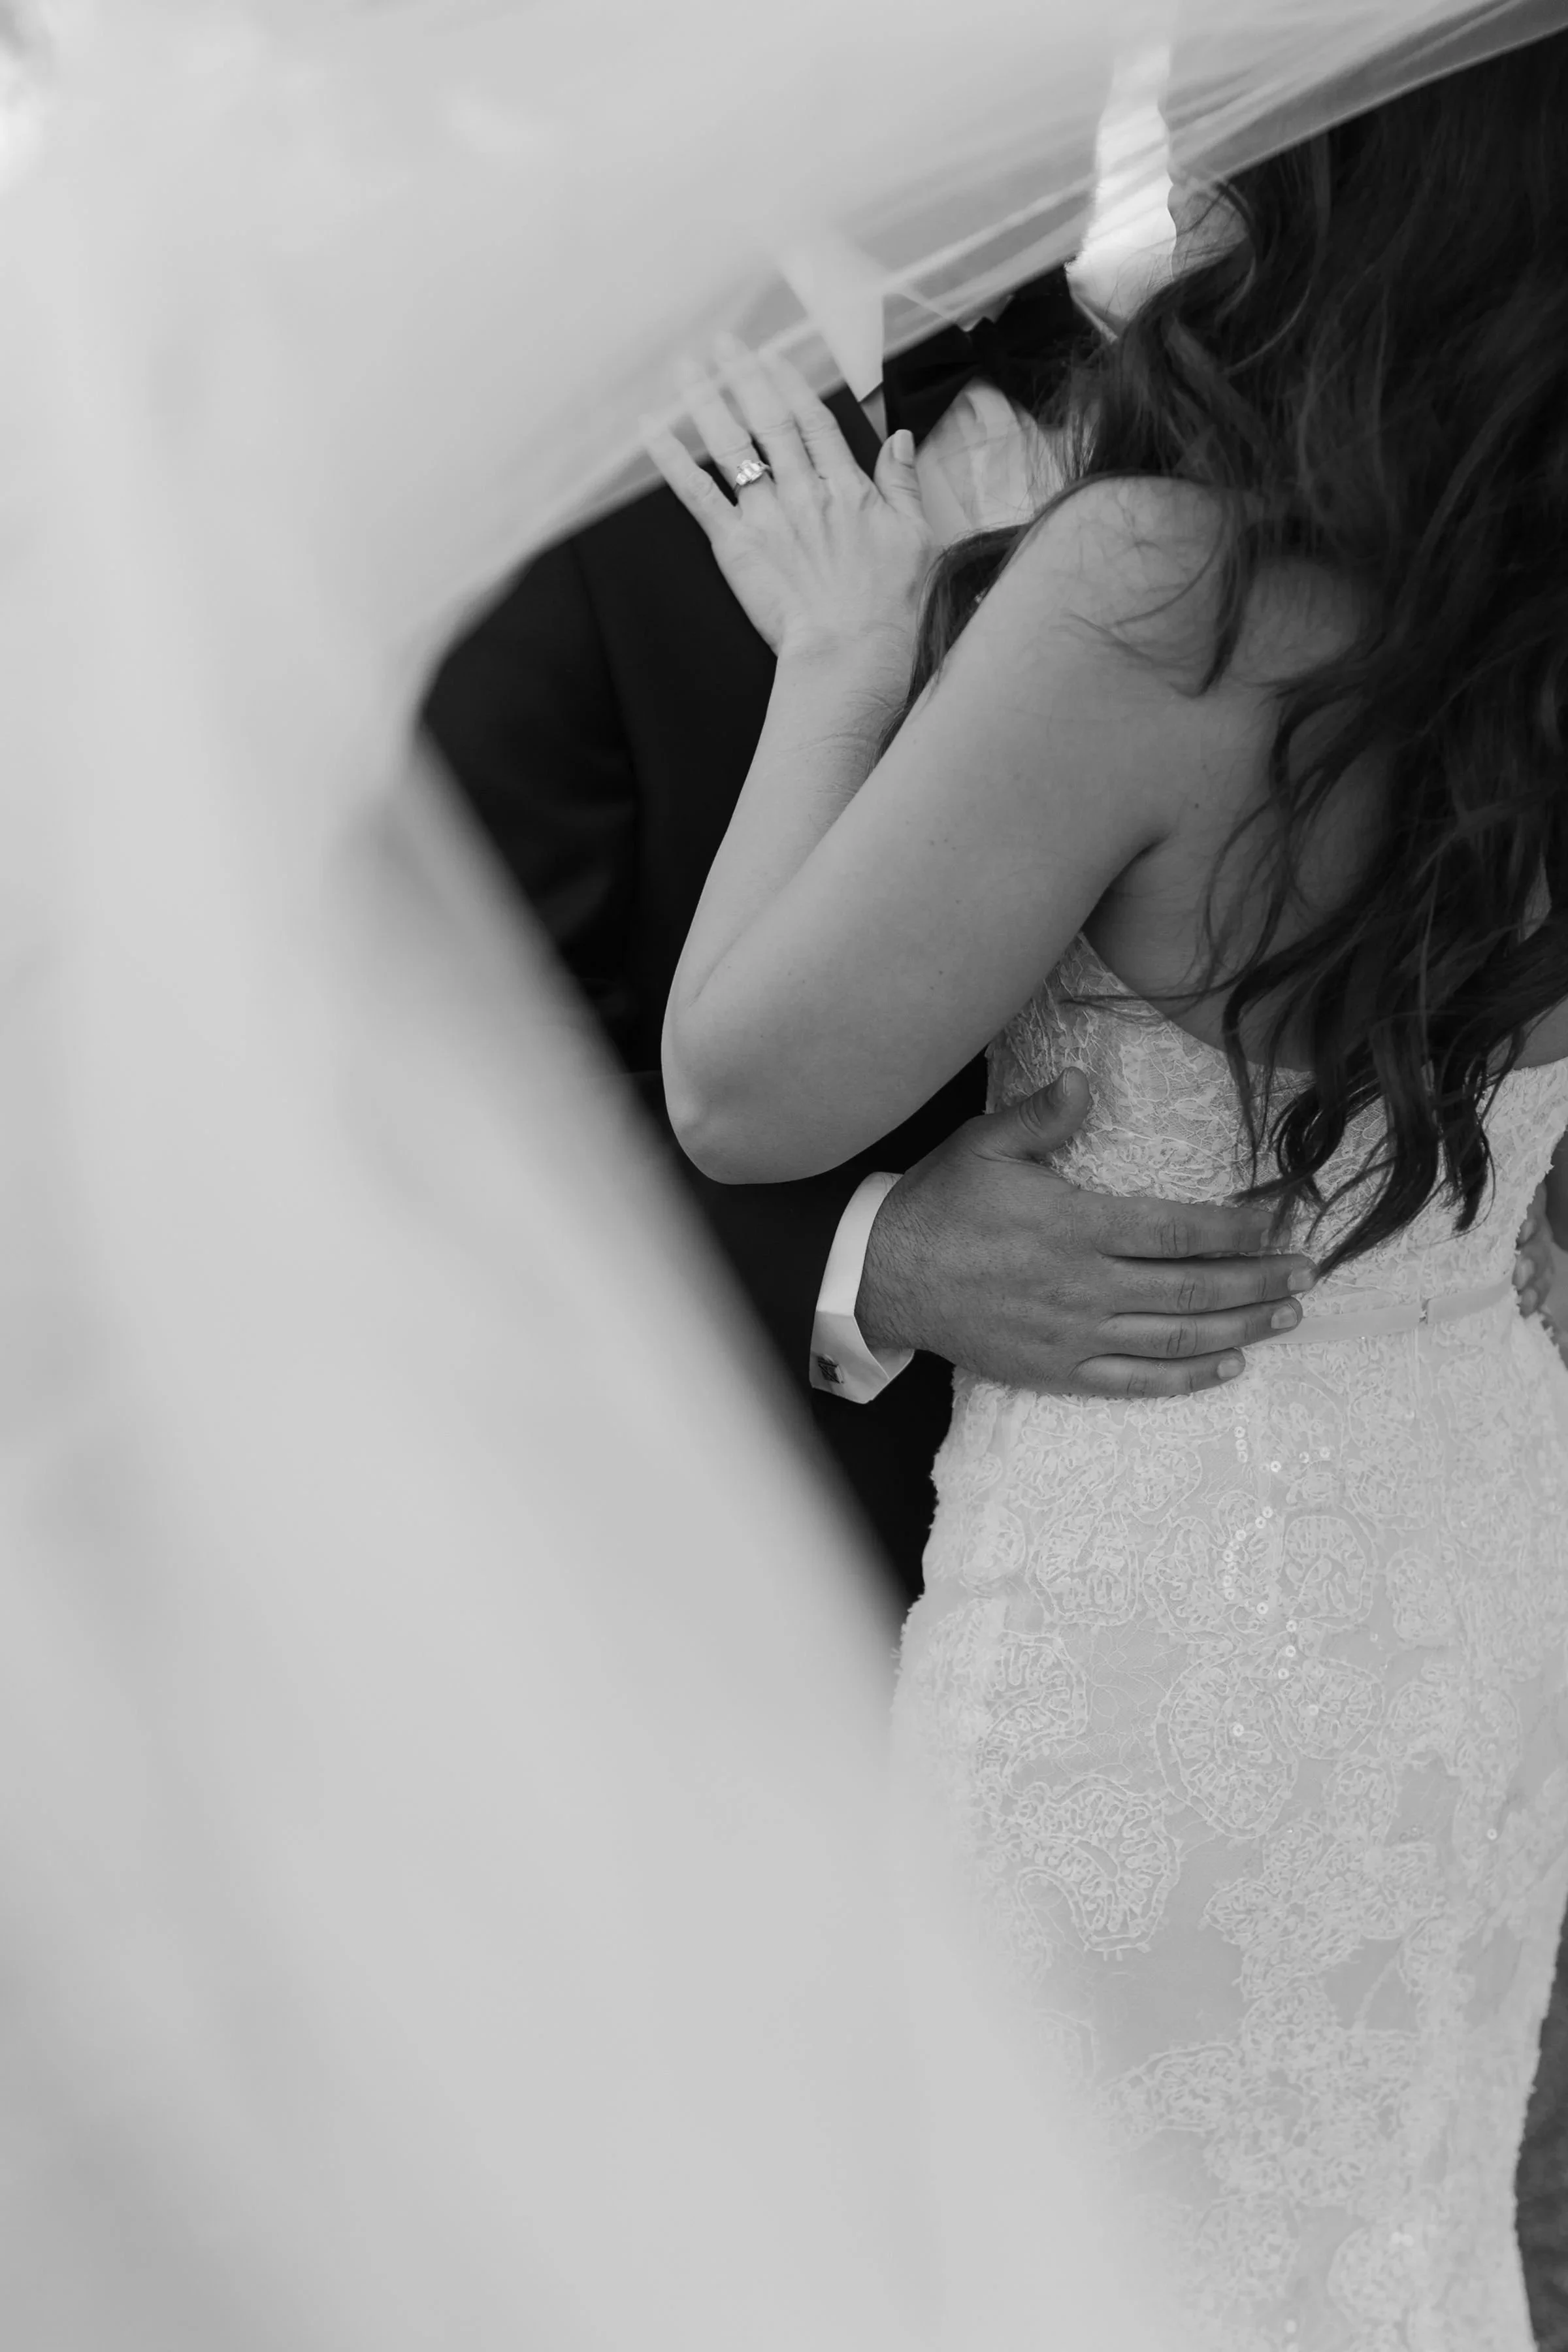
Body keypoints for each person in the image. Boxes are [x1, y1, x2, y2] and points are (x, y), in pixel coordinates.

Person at [654, 28, 1568, 2348]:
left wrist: (844, 665)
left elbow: (745, 1086)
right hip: (1470, 1579)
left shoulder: (1163, 595)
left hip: (1158, 1606)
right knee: (1376, 2229)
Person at [421, 266, 1335, 1609]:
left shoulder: (1279, 396)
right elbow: (422, 1067)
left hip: (1272, 1520)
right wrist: (869, 1259)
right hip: (763, 1556)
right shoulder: (563, 448)